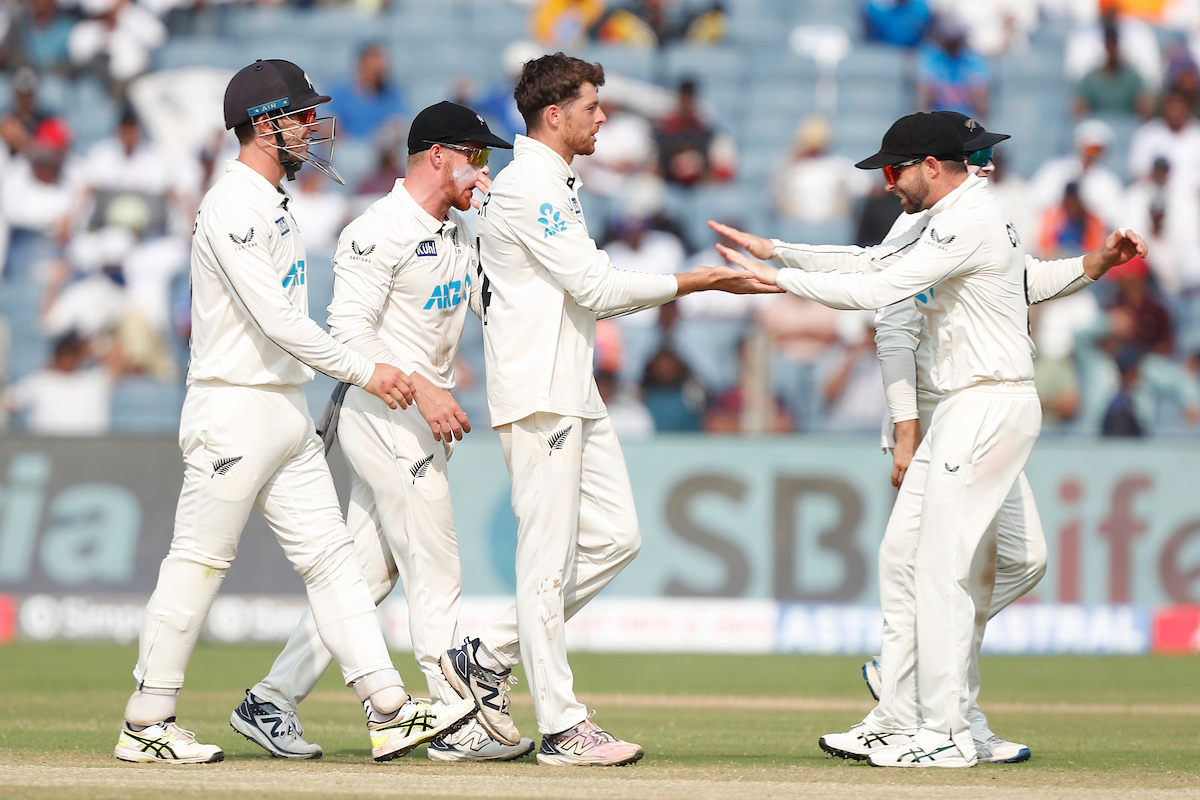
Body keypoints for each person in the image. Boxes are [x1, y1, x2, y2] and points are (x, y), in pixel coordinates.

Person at [712, 112, 1142, 768]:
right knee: (907, 561)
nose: (888, 184)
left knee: (945, 572)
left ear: (931, 166)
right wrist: (779, 252)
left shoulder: (968, 215)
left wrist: (776, 281)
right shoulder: (943, 217)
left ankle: (939, 728)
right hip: (972, 404)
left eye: (894, 170)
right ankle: (920, 712)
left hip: (984, 401)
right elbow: (885, 267)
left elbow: (883, 288)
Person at [113, 59, 475, 767]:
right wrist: (370, 369)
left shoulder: (274, 203)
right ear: (264, 123)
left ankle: (390, 710)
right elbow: (279, 321)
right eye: (301, 115)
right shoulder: (231, 206)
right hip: (231, 407)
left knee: (336, 563)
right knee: (200, 559)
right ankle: (147, 717)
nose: (314, 127)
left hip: (281, 407)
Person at [436, 51, 775, 767]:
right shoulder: (532, 185)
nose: (604, 117)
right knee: (545, 561)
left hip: (570, 387)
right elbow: (595, 289)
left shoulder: (542, 180)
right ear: (554, 114)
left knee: (618, 537)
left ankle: (486, 654)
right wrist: (698, 280)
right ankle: (561, 725)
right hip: (538, 392)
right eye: (593, 106)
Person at [230, 101, 535, 764]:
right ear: (438, 156)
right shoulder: (378, 229)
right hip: (383, 413)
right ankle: (454, 718)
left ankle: (271, 698)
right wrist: (422, 387)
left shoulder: (459, 234)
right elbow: (347, 329)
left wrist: (502, 222)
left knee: (364, 579)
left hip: (419, 422)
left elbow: (506, 302)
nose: (484, 170)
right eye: (475, 157)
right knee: (436, 561)